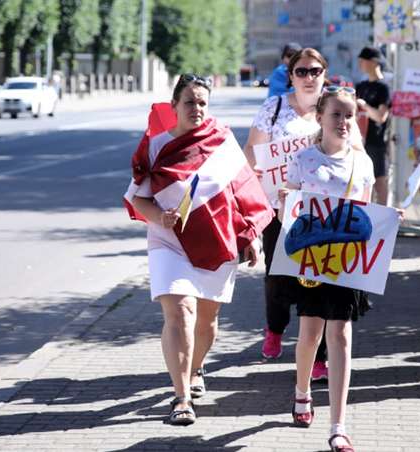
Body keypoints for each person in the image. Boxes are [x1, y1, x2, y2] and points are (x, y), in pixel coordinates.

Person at [124, 74, 273, 424]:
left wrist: (250, 234)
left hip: (216, 238)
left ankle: (194, 368)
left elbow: (245, 192)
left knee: (207, 320)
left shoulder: (221, 141)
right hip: (169, 241)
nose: (197, 108)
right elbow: (138, 197)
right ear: (174, 105)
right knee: (181, 312)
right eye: (189, 102)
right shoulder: (155, 145)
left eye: (203, 102)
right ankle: (180, 399)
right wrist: (159, 217)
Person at [278, 86, 375, 452]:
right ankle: (302, 392)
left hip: (347, 259)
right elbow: (286, 212)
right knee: (310, 333)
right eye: (336, 114)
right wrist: (285, 203)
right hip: (313, 257)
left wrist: (389, 220)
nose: (344, 121)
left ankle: (339, 426)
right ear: (320, 117)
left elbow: (368, 213)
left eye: (349, 115)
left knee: (341, 335)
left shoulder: (362, 162)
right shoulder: (304, 160)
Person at [244, 48, 330, 381]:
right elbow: (253, 151)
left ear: (325, 73)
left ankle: (319, 357)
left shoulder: (333, 107)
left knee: (320, 282)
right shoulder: (274, 107)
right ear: (290, 74)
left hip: (322, 213)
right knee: (278, 277)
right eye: (301, 71)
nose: (309, 77)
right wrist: (253, 193)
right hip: (278, 210)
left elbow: (352, 150)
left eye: (315, 71)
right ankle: (275, 328)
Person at [356, 46, 391, 205]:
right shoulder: (361, 86)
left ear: (374, 62)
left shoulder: (383, 87)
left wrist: (365, 106)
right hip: (360, 141)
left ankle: (384, 217)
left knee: (380, 181)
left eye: (363, 61)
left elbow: (381, 116)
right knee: (362, 182)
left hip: (376, 141)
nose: (360, 64)